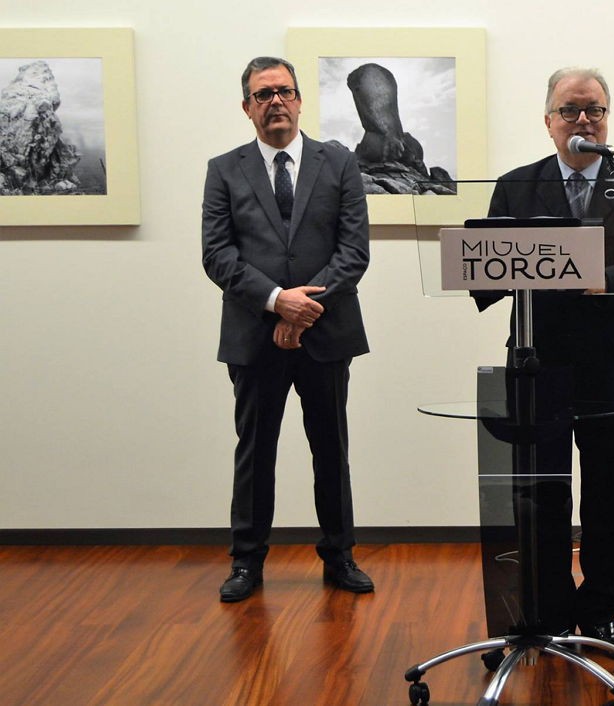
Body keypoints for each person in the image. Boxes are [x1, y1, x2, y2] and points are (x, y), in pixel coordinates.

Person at [474, 67, 614, 656]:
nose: (583, 120)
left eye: (594, 109)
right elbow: (489, 266)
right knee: (540, 490)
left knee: (611, 492)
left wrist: (602, 278)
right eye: (570, 110)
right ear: (548, 122)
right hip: (538, 362)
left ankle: (601, 614)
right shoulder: (516, 187)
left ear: (607, 118)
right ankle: (542, 610)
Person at [202, 57, 373, 602]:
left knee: (331, 447)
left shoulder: (339, 162)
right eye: (262, 94)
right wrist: (278, 303)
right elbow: (216, 254)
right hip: (255, 334)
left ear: (300, 101)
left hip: (326, 334)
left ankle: (340, 556)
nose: (275, 101)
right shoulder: (224, 169)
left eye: (284, 91)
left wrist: (304, 310)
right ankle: (247, 563)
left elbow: (354, 251)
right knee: (255, 451)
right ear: (247, 107)